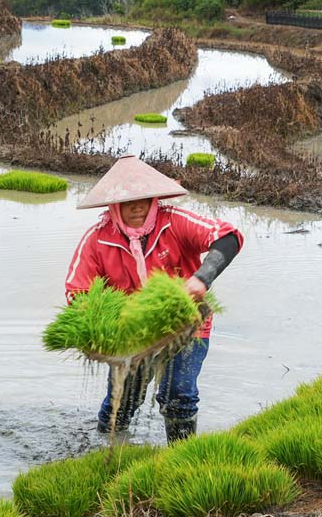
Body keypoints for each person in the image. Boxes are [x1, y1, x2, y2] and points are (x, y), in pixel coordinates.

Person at [64, 155, 243, 443]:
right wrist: (96, 322)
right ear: (113, 205)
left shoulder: (174, 221)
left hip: (187, 324)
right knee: (122, 400)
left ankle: (181, 457)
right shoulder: (97, 240)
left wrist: (201, 279)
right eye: (128, 200)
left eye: (145, 199)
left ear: (155, 200)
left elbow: (228, 237)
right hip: (132, 334)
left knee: (180, 394)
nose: (137, 206)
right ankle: (105, 451)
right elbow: (78, 290)